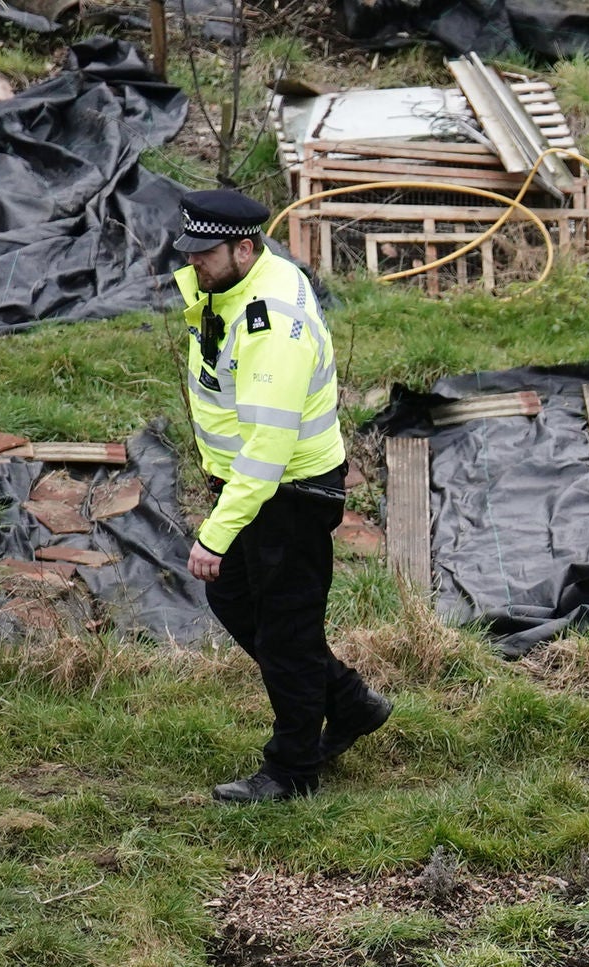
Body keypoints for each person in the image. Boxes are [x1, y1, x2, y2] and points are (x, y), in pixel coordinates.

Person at [170, 188, 388, 806]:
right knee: (241, 602)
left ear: (244, 248)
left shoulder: (273, 326)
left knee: (285, 635)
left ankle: (293, 769)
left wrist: (215, 532)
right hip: (255, 486)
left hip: (286, 493)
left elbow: (267, 449)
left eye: (203, 254)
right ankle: (348, 703)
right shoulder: (233, 285)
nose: (192, 266)